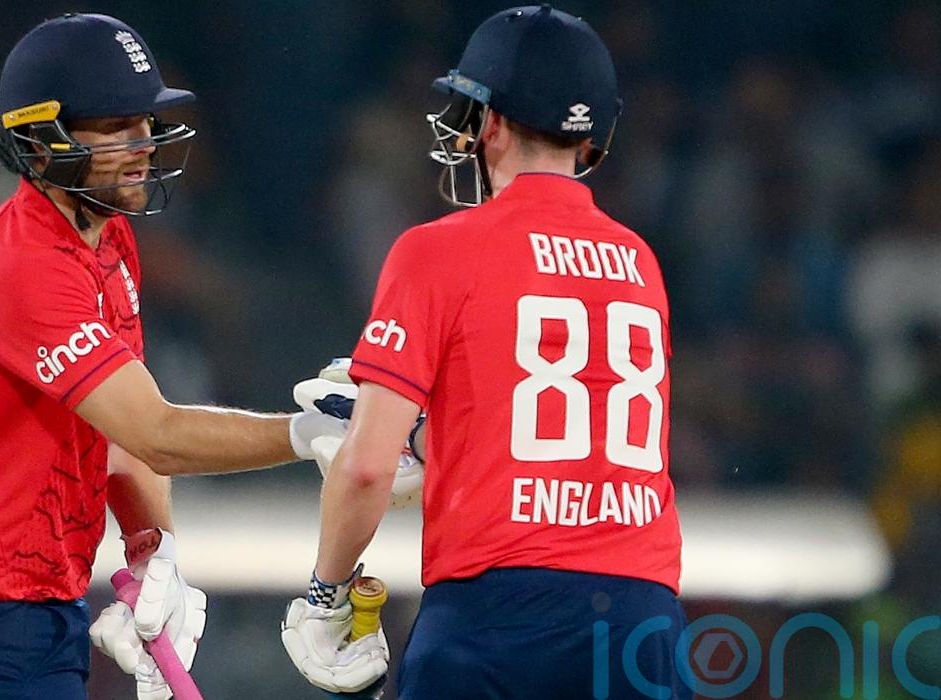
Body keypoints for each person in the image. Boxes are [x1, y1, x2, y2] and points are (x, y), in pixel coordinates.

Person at [0, 13, 343, 700]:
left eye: (145, 122)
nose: (144, 143)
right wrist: (308, 434)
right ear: (43, 143)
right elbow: (158, 434)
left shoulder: (106, 233)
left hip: (24, 593)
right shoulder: (26, 266)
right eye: (116, 126)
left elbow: (120, 430)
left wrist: (153, 549)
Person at [282, 6, 688, 699]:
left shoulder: (437, 251)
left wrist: (327, 593)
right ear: (591, 136)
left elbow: (367, 468)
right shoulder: (638, 261)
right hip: (641, 619)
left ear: (491, 122)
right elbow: (563, 439)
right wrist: (426, 435)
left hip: (494, 615)